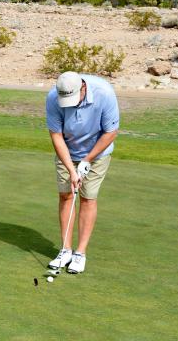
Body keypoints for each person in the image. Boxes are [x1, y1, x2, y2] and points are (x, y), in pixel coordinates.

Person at [46, 71, 119, 274]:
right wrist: (71, 168)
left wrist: (87, 160)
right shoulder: (54, 97)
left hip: (97, 152)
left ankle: (80, 253)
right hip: (67, 150)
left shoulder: (104, 92)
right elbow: (56, 135)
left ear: (83, 88)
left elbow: (111, 132)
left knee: (87, 197)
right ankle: (65, 250)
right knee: (65, 195)